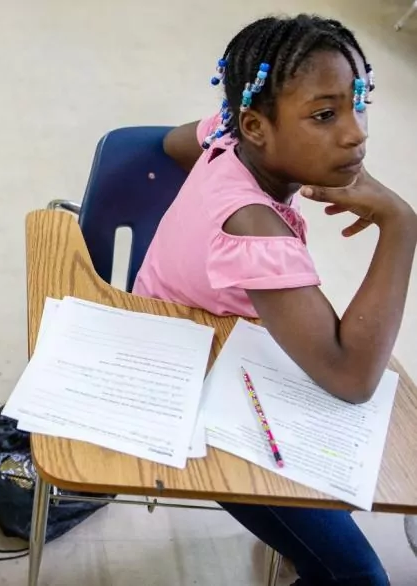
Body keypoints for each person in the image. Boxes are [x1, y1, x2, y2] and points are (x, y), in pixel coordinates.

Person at [134, 14, 417, 586]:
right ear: (256, 126)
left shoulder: (224, 135)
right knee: (359, 577)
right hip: (190, 396)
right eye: (324, 115)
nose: (356, 134)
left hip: (206, 339)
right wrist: (401, 223)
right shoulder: (255, 226)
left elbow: (171, 143)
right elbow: (352, 377)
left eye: (358, 103)